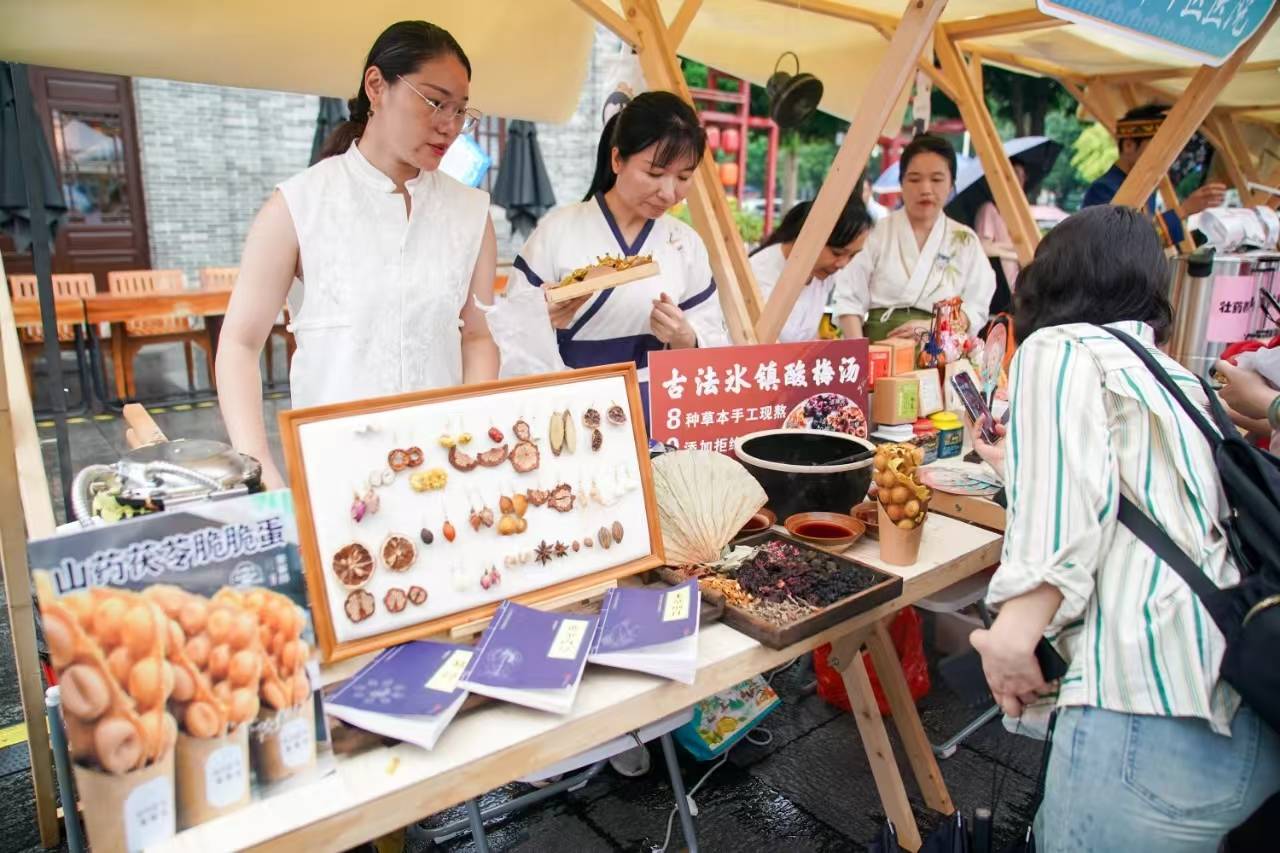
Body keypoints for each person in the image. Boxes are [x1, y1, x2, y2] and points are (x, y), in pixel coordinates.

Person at [967, 205, 1279, 852]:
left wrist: (1013, 633)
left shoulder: (1060, 346)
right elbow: (1133, 498)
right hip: (1246, 712)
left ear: (1051, 277)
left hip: (1147, 713)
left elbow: (1069, 506)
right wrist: (1017, 462)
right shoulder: (1177, 376)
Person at [217, 21, 499, 489]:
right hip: (337, 473)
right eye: (434, 102)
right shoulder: (299, 205)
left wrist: (473, 439)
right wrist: (261, 470)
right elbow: (239, 345)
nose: (449, 126)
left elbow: (477, 337)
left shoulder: (470, 212)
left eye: (461, 110)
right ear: (377, 86)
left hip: (446, 467)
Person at [504, 91, 729, 400]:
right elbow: (507, 334)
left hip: (655, 405)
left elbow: (713, 339)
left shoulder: (684, 244)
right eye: (654, 173)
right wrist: (541, 318)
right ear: (617, 159)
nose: (668, 192)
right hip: (569, 401)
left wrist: (685, 337)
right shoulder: (556, 231)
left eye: (684, 177)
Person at [831, 134, 995, 341]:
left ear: (952, 183)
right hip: (879, 350)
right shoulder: (876, 233)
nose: (925, 189)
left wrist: (935, 327)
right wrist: (860, 358)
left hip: (941, 355)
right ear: (901, 182)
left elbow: (976, 306)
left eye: (936, 179)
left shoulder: (966, 241)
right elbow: (848, 300)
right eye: (915, 179)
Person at [1082, 103, 1225, 248]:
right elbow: (1122, 247)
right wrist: (1184, 210)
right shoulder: (1104, 189)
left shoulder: (1146, 189)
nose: (1167, 157)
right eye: (1158, 148)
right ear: (1129, 145)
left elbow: (1147, 244)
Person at [748, 196, 872, 343]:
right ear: (809, 236)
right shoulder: (757, 275)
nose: (843, 264)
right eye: (837, 253)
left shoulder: (824, 274)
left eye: (852, 255)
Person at [973, 158, 1027, 310]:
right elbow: (983, 247)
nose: (1019, 180)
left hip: (1015, 286)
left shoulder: (1017, 216)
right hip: (997, 285)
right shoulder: (989, 209)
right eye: (1014, 174)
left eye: (1022, 176)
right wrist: (1015, 252)